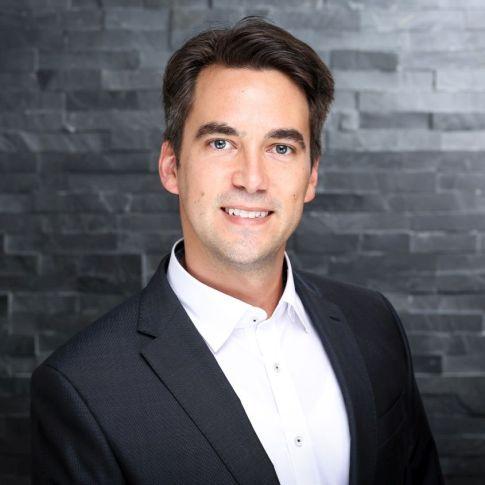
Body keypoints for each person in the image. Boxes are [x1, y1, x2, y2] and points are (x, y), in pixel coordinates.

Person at [30, 16, 444, 485]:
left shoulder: (373, 322)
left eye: (281, 148)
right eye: (221, 142)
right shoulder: (83, 387)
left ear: (311, 175)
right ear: (171, 166)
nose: (251, 179)